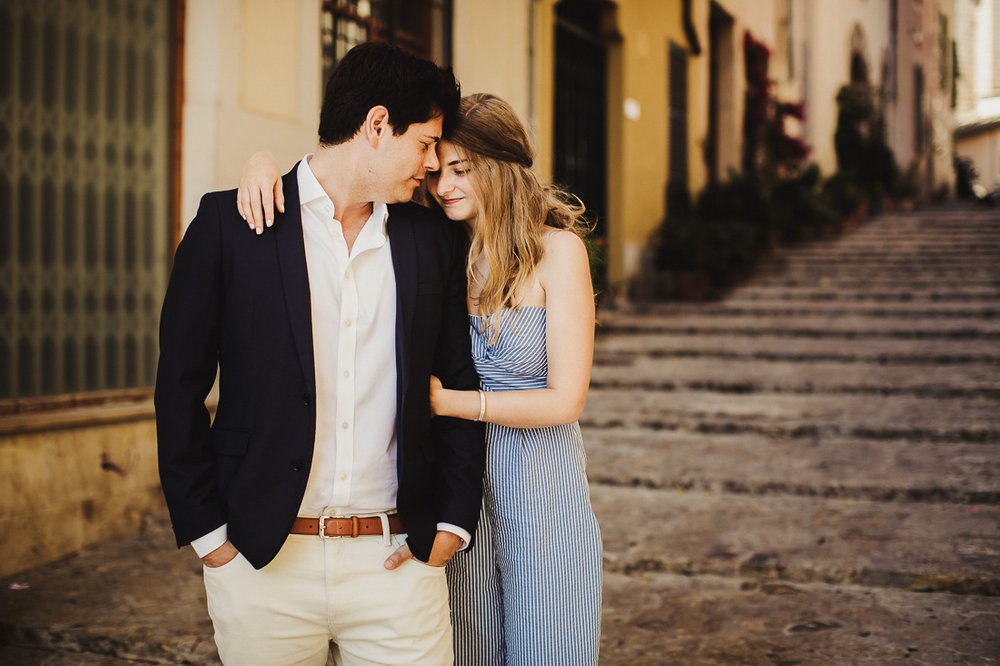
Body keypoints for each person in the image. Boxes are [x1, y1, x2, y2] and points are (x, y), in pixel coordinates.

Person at [238, 92, 602, 665]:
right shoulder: (437, 245)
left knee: (550, 651)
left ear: (502, 167)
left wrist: (449, 401)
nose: (444, 185)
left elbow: (566, 400)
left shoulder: (559, 252)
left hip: (542, 493)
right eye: (438, 171)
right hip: (458, 494)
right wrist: (262, 164)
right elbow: (334, 187)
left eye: (462, 170)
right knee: (469, 650)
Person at [154, 42, 485, 666]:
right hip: (261, 562)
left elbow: (455, 375)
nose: (434, 163)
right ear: (377, 124)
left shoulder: (430, 240)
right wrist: (209, 539)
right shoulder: (232, 225)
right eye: (426, 142)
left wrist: (451, 525)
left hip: (396, 563)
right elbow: (178, 386)